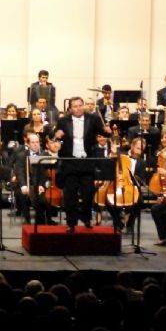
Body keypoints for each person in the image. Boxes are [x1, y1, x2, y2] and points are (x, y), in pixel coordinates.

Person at [54, 97, 110, 233]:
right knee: (70, 195)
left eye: (80, 105)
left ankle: (86, 218)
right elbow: (53, 136)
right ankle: (71, 223)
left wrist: (107, 131)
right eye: (75, 106)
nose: (78, 108)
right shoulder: (63, 121)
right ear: (70, 108)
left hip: (87, 162)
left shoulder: (93, 118)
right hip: (70, 162)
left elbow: (103, 132)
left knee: (88, 193)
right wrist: (56, 135)